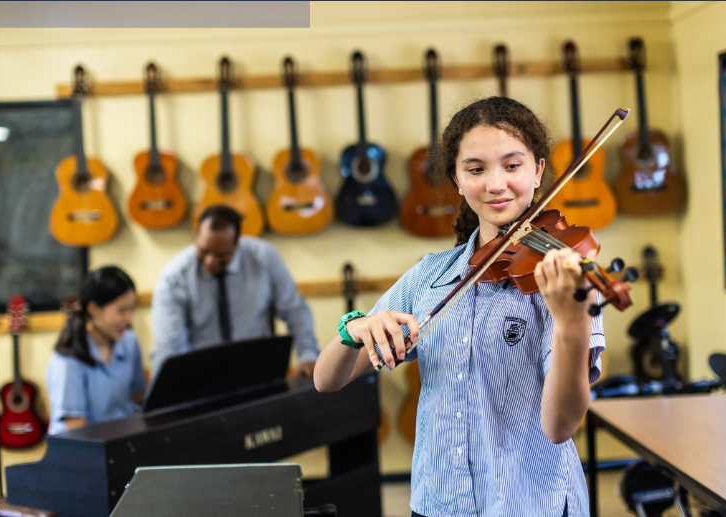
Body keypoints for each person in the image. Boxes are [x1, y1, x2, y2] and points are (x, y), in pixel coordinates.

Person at [313, 97, 605, 517]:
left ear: (538, 170)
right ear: (457, 178)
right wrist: (354, 329)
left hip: (530, 504)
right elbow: (327, 380)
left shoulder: (563, 279)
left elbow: (560, 427)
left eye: (512, 165)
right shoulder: (430, 277)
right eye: (476, 169)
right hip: (438, 503)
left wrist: (571, 326)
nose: (495, 184)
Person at [151, 204, 319, 377]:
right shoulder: (174, 276)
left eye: (221, 255)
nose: (210, 261)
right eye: (204, 251)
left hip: (260, 370)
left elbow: (295, 310)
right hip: (202, 376)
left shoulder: (264, 258)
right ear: (196, 236)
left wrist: (307, 354)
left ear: (237, 243)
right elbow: (169, 343)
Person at [46, 266, 145, 435]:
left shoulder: (129, 341)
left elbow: (137, 394)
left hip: (121, 440)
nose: (129, 318)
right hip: (84, 447)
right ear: (93, 309)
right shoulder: (68, 360)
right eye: (122, 311)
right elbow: (76, 430)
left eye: (132, 309)